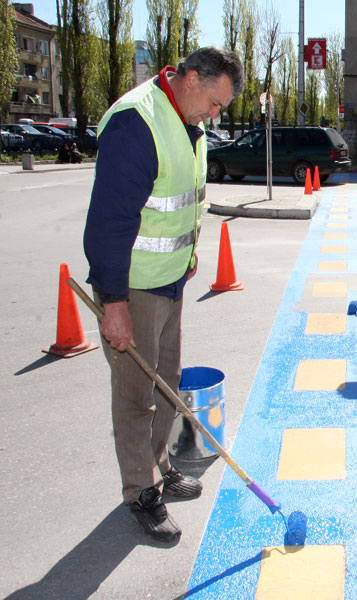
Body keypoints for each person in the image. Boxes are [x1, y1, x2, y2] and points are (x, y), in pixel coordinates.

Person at [83, 46, 244, 542]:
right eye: (214, 103)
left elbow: (183, 198)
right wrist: (113, 304)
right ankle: (140, 492)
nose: (214, 115)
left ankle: (159, 465)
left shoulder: (188, 123)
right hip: (133, 287)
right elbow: (110, 222)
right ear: (191, 79)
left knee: (165, 382)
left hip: (170, 281)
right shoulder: (137, 122)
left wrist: (188, 253)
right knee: (136, 395)